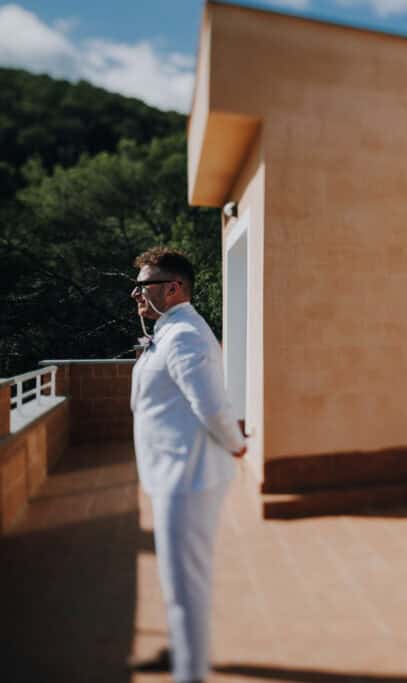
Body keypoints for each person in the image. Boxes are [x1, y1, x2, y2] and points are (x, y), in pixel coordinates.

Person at [128, 247, 245, 683]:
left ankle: (189, 673)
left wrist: (237, 446)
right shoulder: (170, 329)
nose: (136, 294)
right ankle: (181, 651)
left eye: (144, 286)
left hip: (188, 478)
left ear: (172, 288)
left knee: (185, 586)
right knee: (177, 579)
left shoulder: (185, 336)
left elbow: (212, 407)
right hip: (171, 474)